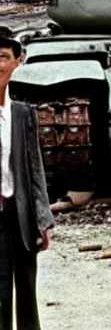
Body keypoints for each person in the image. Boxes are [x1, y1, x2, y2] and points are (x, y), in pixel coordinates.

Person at [0, 26, 54, 330]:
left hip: (20, 216)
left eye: (3, 57)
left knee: (27, 294)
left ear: (16, 62)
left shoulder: (21, 114)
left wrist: (43, 219)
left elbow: (35, 171)